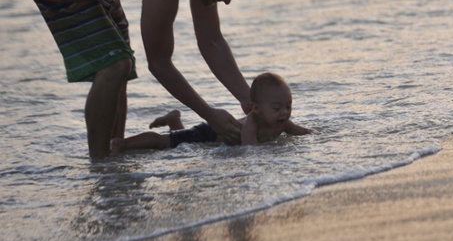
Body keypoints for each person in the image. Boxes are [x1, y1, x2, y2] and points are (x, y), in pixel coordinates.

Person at [24, 0, 259, 159]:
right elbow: (159, 63)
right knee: (115, 64)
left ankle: (115, 148)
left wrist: (249, 101)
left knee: (120, 65)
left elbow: (212, 42)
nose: (227, 2)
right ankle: (100, 163)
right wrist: (210, 114)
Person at [110, 73, 312, 152]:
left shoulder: (282, 121)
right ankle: (124, 143)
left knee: (182, 147)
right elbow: (251, 148)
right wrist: (272, 153)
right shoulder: (253, 123)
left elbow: (301, 132)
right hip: (210, 132)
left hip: (212, 143)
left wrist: (320, 137)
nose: (284, 113)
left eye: (289, 106)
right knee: (167, 142)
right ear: (257, 109)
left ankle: (174, 120)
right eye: (277, 109)